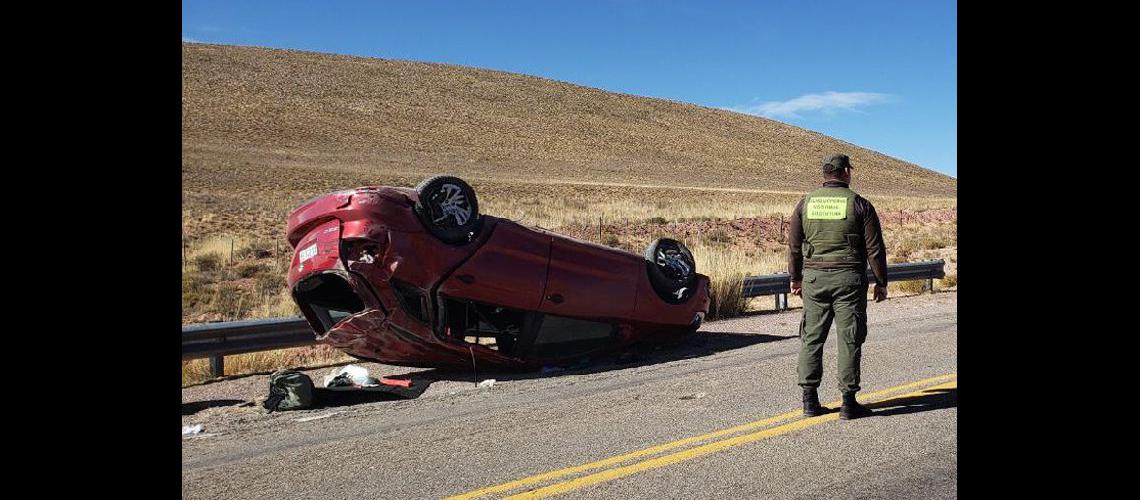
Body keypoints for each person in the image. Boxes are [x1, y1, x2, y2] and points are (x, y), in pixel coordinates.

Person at [787, 153, 888, 420]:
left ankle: (809, 401)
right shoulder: (860, 204)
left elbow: (795, 247)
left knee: (811, 338)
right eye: (849, 171)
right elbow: (874, 250)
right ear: (845, 172)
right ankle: (848, 402)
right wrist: (881, 282)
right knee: (849, 339)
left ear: (825, 174)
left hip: (814, 281)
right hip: (849, 282)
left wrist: (795, 278)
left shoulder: (804, 204)